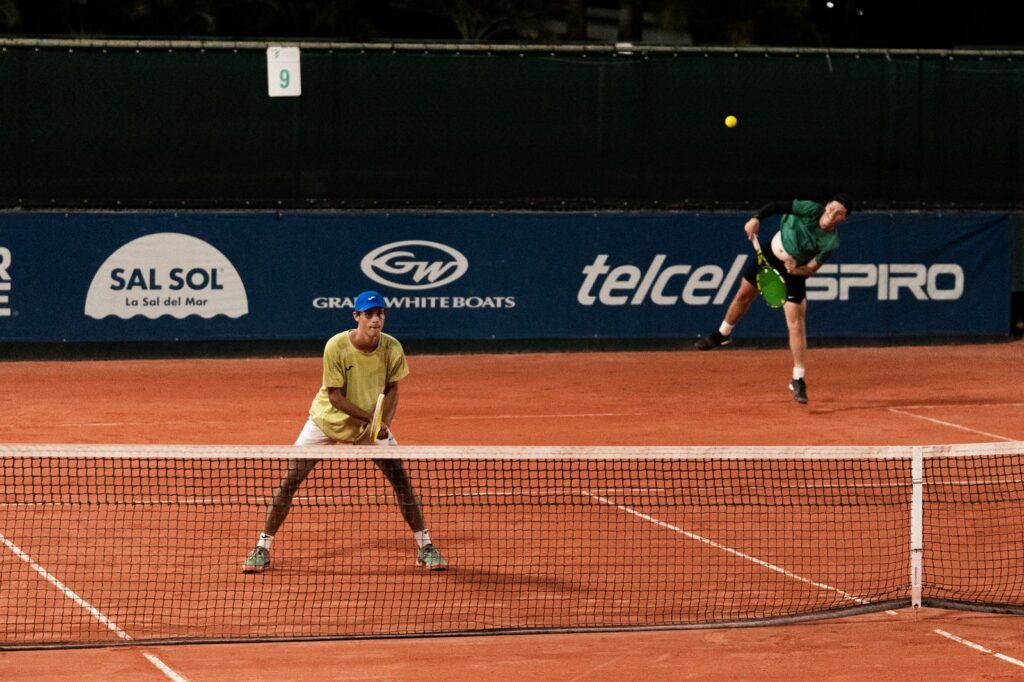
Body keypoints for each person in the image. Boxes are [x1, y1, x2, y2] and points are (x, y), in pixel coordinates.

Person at [242, 290, 447, 572]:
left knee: (401, 480)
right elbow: (335, 396)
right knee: (291, 479)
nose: (375, 319)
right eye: (369, 314)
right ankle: (262, 547)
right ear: (356, 316)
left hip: (368, 426)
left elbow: (393, 388)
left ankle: (425, 546)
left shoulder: (392, 347)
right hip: (327, 421)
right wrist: (372, 419)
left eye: (380, 313)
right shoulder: (336, 346)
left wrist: (383, 423)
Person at [694, 195, 853, 404]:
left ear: (844, 219)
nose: (832, 214)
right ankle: (723, 334)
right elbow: (777, 206)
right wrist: (756, 218)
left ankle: (798, 379)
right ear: (827, 206)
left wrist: (797, 270)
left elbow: (811, 269)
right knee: (744, 295)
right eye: (832, 208)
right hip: (769, 255)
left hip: (793, 271)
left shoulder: (830, 242)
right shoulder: (809, 209)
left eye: (839, 213)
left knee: (796, 323)